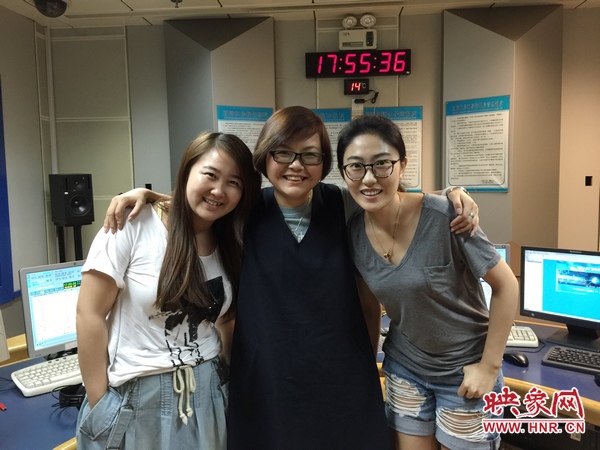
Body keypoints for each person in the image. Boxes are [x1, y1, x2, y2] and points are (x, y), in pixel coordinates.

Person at [103, 106, 478, 448]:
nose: (296, 165)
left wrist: (452, 195)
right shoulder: (245, 210)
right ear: (265, 158)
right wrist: (151, 197)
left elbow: (391, 196)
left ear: (324, 162)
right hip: (267, 382)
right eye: (283, 153)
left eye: (310, 155)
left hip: (340, 379)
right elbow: (204, 201)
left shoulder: (342, 203)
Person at [336, 114, 519, 450]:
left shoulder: (447, 215)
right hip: (405, 369)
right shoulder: (354, 234)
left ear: (402, 165)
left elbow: (506, 286)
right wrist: (367, 367)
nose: (369, 178)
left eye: (382, 164)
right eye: (356, 167)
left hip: (465, 371)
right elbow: (368, 308)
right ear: (344, 172)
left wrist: (489, 367)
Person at [75, 132, 261, 450]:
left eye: (234, 182)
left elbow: (226, 320)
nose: (219, 190)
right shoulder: (133, 222)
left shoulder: (232, 239)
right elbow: (89, 313)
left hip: (209, 391)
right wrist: (98, 402)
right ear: (187, 171)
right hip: (137, 397)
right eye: (210, 175)